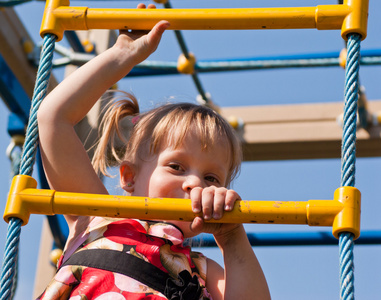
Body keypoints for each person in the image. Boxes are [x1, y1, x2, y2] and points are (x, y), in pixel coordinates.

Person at [36, 4, 271, 299]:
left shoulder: (203, 271)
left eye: (212, 178)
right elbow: (52, 119)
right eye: (176, 166)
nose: (195, 183)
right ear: (129, 176)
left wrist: (232, 237)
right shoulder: (96, 218)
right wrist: (122, 56)